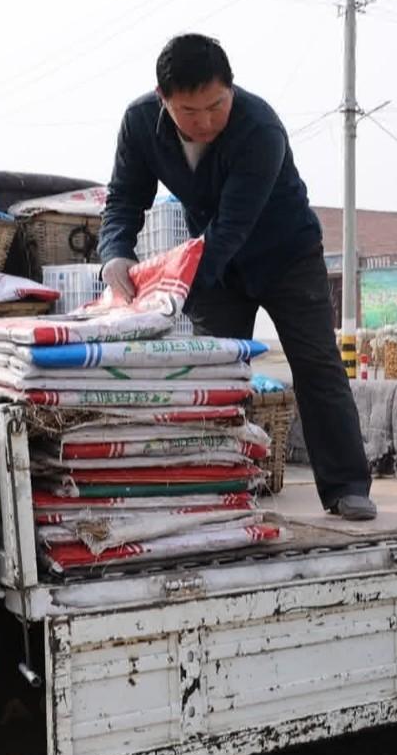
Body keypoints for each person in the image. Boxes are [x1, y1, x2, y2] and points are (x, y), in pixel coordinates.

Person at [97, 33, 375, 521]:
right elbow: (123, 199)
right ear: (163, 100)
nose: (204, 121)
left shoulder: (260, 127)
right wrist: (115, 255)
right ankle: (218, 486)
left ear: (232, 89)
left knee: (317, 366)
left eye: (216, 106)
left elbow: (232, 228)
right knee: (216, 374)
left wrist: (171, 287)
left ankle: (347, 486)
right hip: (215, 262)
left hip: (286, 255)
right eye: (189, 111)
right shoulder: (140, 124)